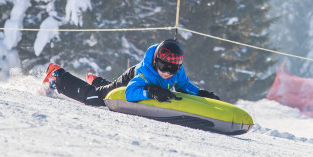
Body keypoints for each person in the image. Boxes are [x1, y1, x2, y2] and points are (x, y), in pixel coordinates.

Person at [42, 38, 220, 107]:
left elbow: (184, 85)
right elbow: (129, 92)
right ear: (156, 61)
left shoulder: (176, 71)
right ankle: (57, 75)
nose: (167, 73)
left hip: (136, 79)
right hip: (130, 80)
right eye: (163, 67)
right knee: (97, 98)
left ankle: (95, 79)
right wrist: (149, 91)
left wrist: (200, 93)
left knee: (106, 88)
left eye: (172, 69)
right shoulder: (145, 73)